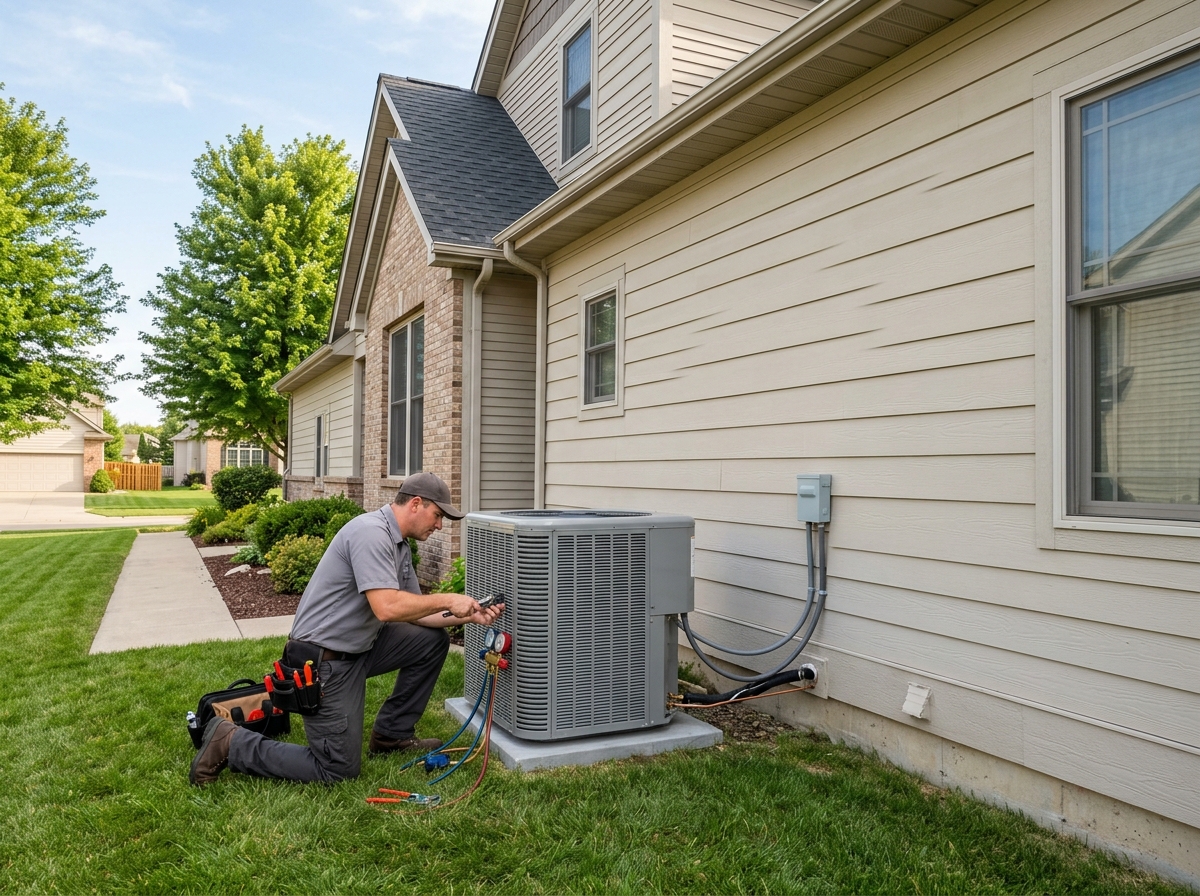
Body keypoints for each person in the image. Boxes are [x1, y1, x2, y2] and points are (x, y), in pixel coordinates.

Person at [189, 472, 503, 786]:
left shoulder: (399, 546)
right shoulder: (371, 534)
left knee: (430, 641)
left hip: (360, 648)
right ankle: (230, 741)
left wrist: (470, 614)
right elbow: (387, 607)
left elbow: (418, 615)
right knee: (336, 769)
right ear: (416, 504)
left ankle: (392, 735)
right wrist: (449, 598)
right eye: (438, 516)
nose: (439, 525)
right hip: (324, 663)